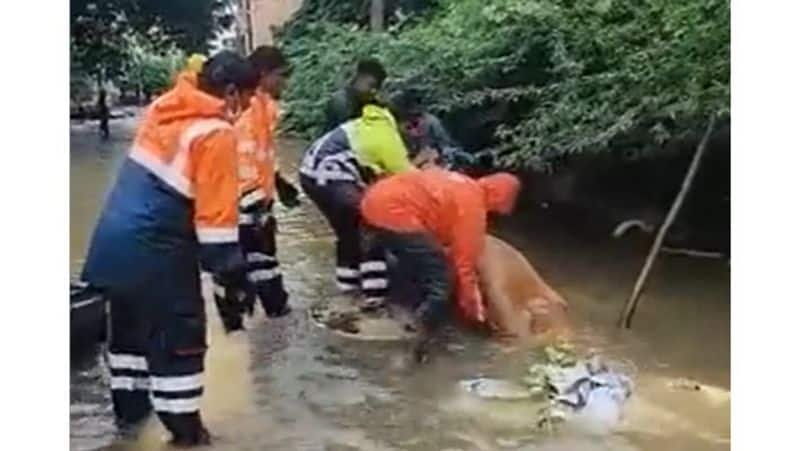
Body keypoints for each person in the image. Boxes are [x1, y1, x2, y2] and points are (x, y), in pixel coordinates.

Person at [80, 51, 259, 446]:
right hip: (157, 256)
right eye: (247, 99)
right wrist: (237, 284)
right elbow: (216, 238)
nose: (247, 109)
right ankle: (187, 436)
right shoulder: (216, 134)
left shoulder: (164, 108)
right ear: (231, 92)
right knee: (180, 342)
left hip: (111, 250)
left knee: (129, 345)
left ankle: (130, 433)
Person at [359, 168, 520, 360]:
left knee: (418, 258)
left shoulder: (463, 182)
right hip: (397, 213)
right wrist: (475, 315)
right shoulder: (472, 208)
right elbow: (464, 268)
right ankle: (420, 332)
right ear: (500, 199)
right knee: (442, 280)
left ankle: (398, 302)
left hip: (372, 200)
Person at [212, 45, 300, 332]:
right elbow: (236, 158)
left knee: (259, 263)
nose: (284, 82)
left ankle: (270, 323)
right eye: (281, 75)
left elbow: (260, 153)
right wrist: (253, 204)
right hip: (241, 202)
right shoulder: (245, 109)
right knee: (241, 268)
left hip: (255, 199)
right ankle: (243, 330)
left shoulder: (262, 107)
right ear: (263, 74)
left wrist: (278, 182)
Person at [299, 104, 414, 309]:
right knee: (371, 225)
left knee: (347, 231)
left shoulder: (368, 123)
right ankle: (375, 296)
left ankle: (347, 288)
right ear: (407, 123)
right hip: (334, 177)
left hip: (309, 175)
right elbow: (411, 180)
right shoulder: (387, 137)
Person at [391, 89, 476, 170]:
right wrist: (416, 161)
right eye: (409, 126)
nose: (415, 130)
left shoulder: (431, 122)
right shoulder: (394, 130)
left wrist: (439, 154)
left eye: (418, 117)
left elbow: (449, 146)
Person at [323, 58, 388, 132]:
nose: (374, 91)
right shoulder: (341, 101)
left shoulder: (367, 101)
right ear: (359, 79)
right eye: (371, 85)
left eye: (377, 88)